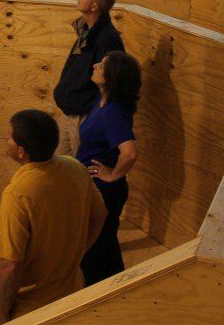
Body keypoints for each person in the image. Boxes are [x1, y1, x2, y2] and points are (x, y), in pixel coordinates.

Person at [0, 110, 107, 323]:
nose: (5, 138)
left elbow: (10, 265)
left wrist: (2, 314)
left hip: (33, 309)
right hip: (74, 289)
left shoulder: (17, 194)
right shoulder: (75, 167)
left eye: (8, 136)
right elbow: (100, 215)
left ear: (21, 152)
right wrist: (77, 253)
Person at [77, 50, 141, 286]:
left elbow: (130, 152)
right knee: (105, 245)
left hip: (104, 190)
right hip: (97, 188)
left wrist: (112, 175)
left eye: (102, 65)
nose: (95, 65)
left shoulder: (112, 113)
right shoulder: (102, 102)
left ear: (112, 77)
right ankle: (116, 290)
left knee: (94, 250)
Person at [52, 0, 125, 156]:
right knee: (62, 171)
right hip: (68, 115)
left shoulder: (108, 39)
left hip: (83, 119)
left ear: (94, 6)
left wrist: (93, 117)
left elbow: (110, 82)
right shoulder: (85, 31)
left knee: (82, 171)